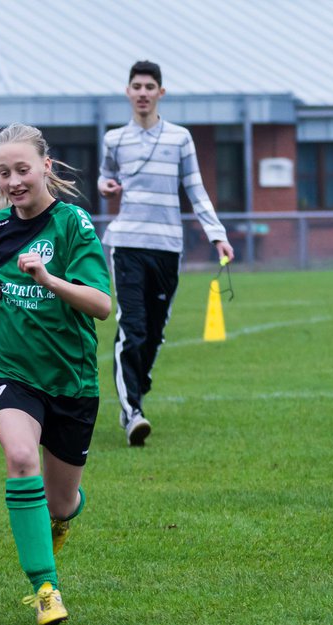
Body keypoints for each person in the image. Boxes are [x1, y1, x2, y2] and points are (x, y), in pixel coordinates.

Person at [0, 123, 112, 625]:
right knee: (20, 456)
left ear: (45, 166)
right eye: (4, 172)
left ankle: (63, 516)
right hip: (12, 371)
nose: (13, 180)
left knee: (61, 501)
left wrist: (48, 279)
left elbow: (102, 305)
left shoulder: (74, 224)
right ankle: (46, 589)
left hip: (71, 379)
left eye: (22, 169)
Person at [99, 60, 234, 446]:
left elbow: (196, 189)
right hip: (126, 244)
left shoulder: (180, 138)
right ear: (127, 92)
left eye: (149, 86)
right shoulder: (114, 140)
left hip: (167, 246)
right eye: (136, 86)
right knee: (133, 327)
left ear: (161, 92)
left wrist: (217, 235)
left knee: (154, 334)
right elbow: (105, 175)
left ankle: (137, 384)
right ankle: (132, 413)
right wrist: (106, 186)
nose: (142, 92)